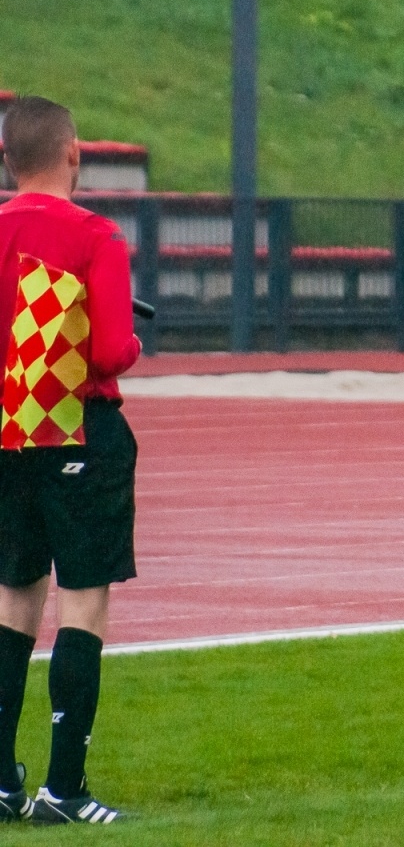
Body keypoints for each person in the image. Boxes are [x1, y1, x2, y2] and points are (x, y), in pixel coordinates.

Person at [0, 97, 141, 823]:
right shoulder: (95, 236)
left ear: (7, 161)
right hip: (79, 431)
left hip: (6, 432)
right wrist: (133, 342)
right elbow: (112, 350)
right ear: (74, 153)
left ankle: (1, 782)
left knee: (13, 597)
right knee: (82, 600)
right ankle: (64, 789)